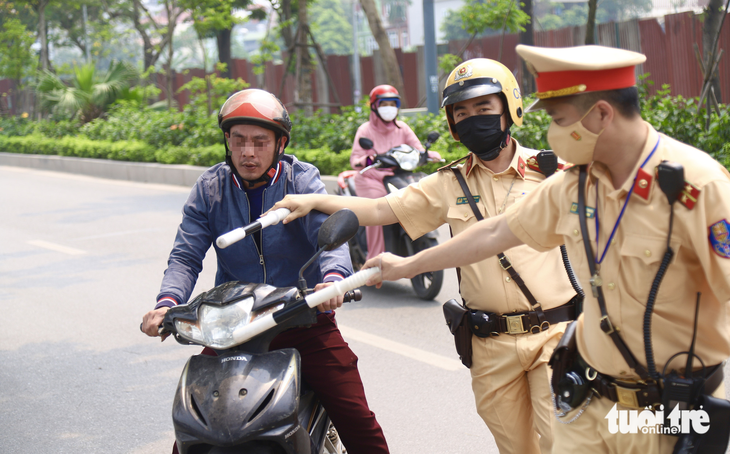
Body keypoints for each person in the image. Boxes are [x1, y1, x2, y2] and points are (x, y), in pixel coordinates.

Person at [357, 45, 730, 453]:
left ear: (602, 114)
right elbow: (493, 234)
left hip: (666, 407)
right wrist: (406, 265)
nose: (551, 132)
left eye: (558, 119)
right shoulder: (575, 185)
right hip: (590, 397)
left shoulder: (698, 189)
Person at [271, 60, 582, 454]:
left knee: (563, 442)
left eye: (484, 108)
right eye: (461, 113)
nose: (472, 119)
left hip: (552, 338)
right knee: (515, 448)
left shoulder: (552, 173)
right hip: (490, 347)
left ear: (509, 108)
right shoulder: (448, 183)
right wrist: (314, 199)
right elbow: (382, 210)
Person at [140, 88, 390, 454]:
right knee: (195, 425)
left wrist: (333, 281)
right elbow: (185, 255)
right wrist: (166, 304)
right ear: (227, 141)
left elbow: (329, 239)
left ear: (280, 143)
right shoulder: (210, 189)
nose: (247, 152)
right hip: (234, 327)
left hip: (302, 318)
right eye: (238, 140)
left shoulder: (300, 181)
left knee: (355, 415)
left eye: (259, 142)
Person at [350, 85, 440, 260]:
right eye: (385, 104)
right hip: (371, 179)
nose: (389, 108)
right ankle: (374, 260)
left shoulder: (402, 128)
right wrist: (371, 159)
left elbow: (417, 149)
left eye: (393, 104)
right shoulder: (365, 130)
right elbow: (356, 159)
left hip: (398, 177)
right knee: (375, 210)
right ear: (375, 106)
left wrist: (427, 155)